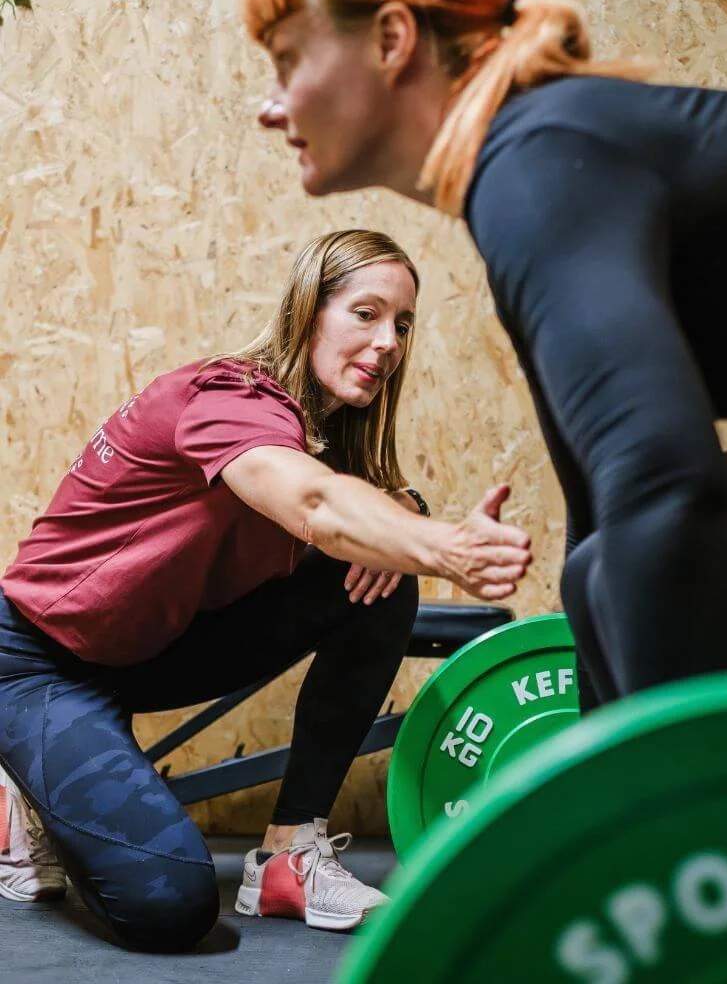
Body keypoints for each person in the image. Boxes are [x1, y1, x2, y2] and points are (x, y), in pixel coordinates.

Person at [0, 228, 531, 950]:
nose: (388, 343)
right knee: (171, 909)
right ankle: (22, 800)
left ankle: (289, 852)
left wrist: (405, 515)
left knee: (377, 578)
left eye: (402, 324)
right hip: (37, 661)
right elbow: (312, 503)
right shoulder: (228, 397)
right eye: (366, 314)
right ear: (309, 311)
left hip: (148, 649)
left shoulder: (320, 431)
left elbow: (345, 500)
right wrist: (446, 548)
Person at [245, 0, 727, 712]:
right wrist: (605, 787)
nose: (271, 105)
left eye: (289, 60)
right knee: (599, 573)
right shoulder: (530, 171)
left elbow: (662, 482)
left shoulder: (537, 165)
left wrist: (667, 795)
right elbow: (601, 508)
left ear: (392, 41)